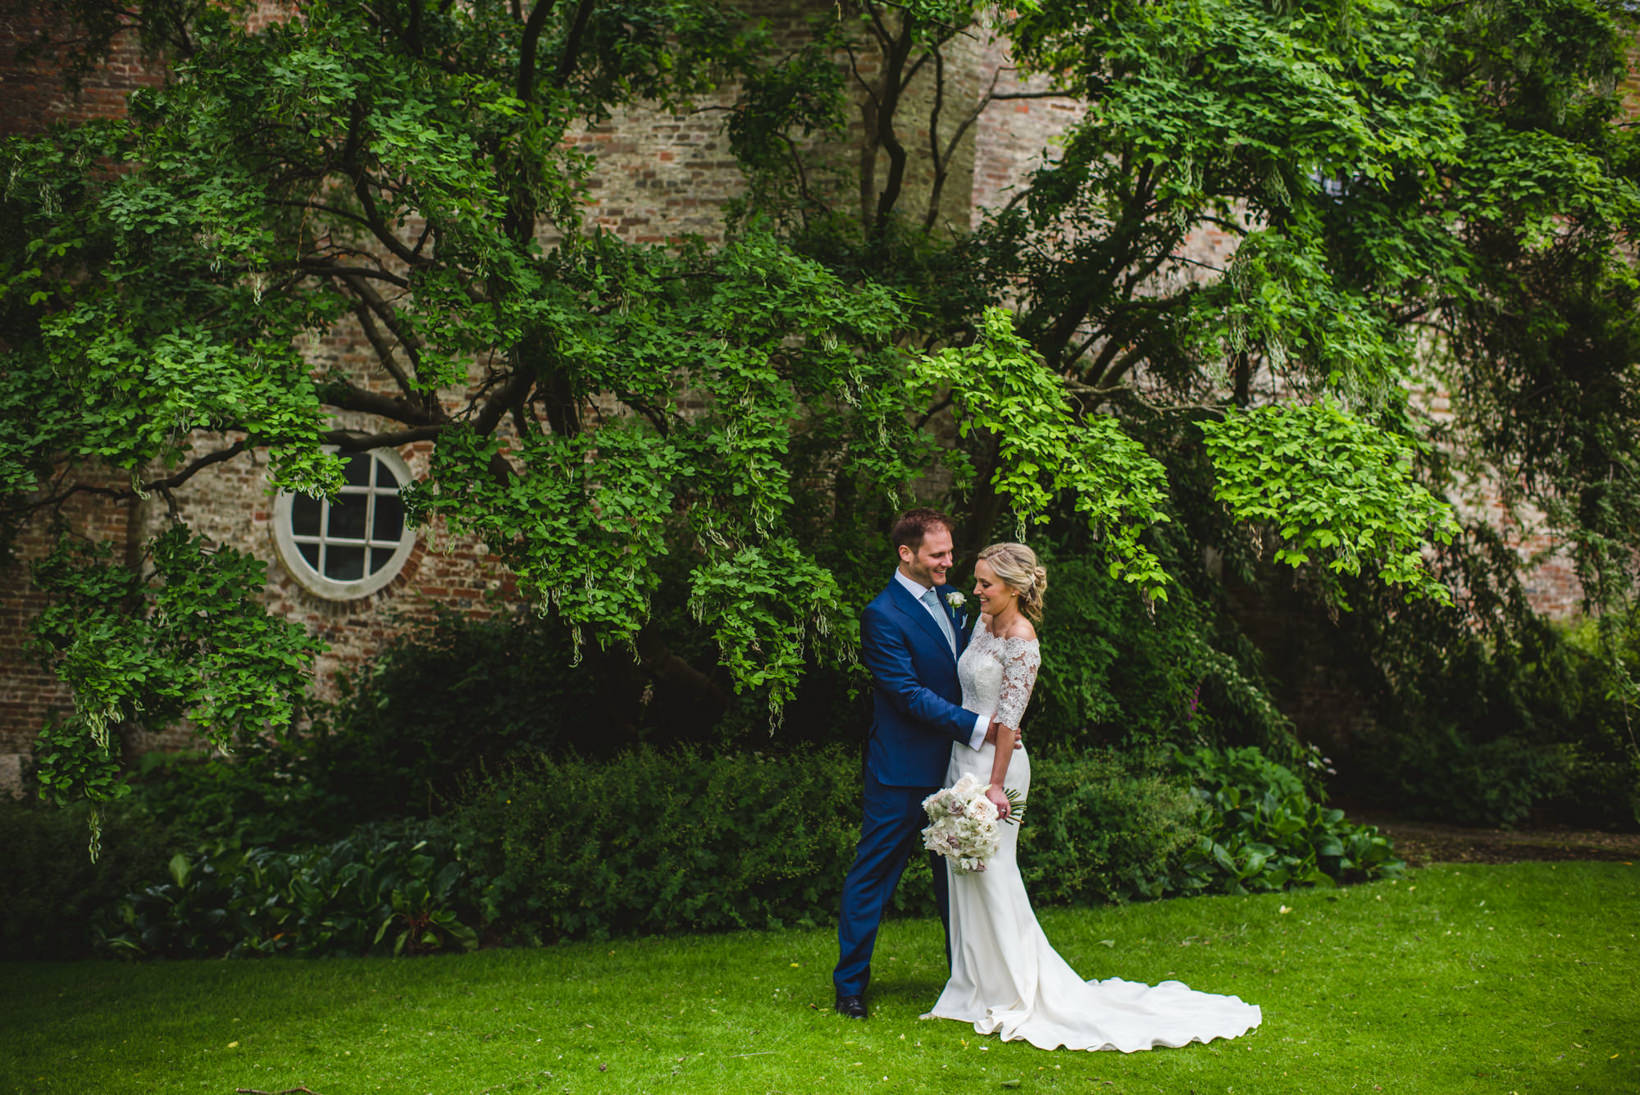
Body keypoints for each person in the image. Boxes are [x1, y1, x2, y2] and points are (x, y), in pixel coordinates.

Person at [922, 541, 1264, 1051]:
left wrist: (994, 786)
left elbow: (1010, 724)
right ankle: (972, 988)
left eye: (985, 584)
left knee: (996, 874)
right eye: (975, 581)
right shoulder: (982, 623)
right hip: (962, 759)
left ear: (1014, 588)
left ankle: (1018, 990)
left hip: (999, 769)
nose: (975, 590)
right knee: (964, 874)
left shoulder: (1022, 639)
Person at [833, 508, 1013, 1020]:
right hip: (902, 771)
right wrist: (982, 729)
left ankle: (968, 981)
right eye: (938, 554)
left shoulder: (954, 601)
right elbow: (908, 694)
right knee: (873, 877)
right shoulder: (881, 615)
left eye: (951, 553)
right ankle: (850, 987)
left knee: (961, 878)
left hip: (959, 769)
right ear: (905, 554)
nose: (948, 563)